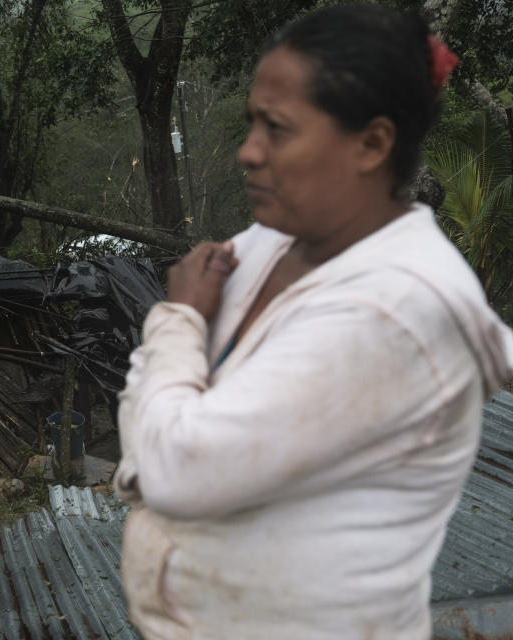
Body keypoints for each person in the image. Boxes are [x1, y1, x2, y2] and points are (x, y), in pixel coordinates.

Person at [114, 4, 513, 639]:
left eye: (276, 129)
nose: (247, 152)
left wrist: (178, 321)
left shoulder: (392, 311)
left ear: (373, 143)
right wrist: (167, 413)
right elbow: (165, 425)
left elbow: (173, 466)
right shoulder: (274, 243)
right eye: (252, 124)